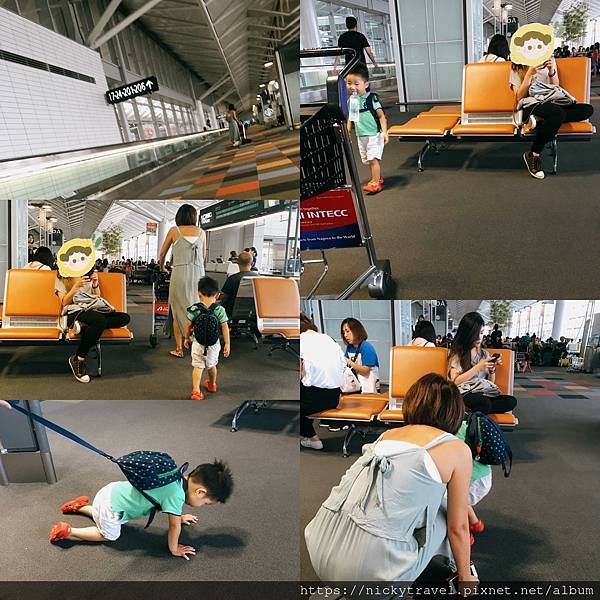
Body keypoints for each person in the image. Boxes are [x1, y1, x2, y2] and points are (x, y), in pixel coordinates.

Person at [305, 374, 478, 591]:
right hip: (373, 579)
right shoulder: (457, 449)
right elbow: (458, 527)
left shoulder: (388, 435)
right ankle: (458, 574)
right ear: (455, 412)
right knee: (447, 515)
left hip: (319, 548)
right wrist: (466, 577)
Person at [48, 460, 233, 560]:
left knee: (110, 517)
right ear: (201, 492)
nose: (204, 506)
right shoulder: (176, 496)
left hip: (111, 491)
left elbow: (166, 499)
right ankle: (69, 531)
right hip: (112, 507)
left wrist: (180, 515)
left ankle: (81, 507)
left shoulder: (177, 476)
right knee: (109, 534)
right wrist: (174, 548)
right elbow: (174, 527)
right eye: (207, 503)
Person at [510, 52, 594, 179]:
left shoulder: (548, 58)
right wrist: (529, 74)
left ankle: (540, 122)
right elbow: (519, 97)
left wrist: (551, 70)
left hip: (551, 101)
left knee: (587, 110)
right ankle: (534, 154)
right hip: (531, 104)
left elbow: (555, 86)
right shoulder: (517, 65)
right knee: (557, 113)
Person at [55, 269, 131, 383]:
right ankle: (79, 358)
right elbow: (65, 302)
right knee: (99, 321)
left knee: (124, 318)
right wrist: (76, 287)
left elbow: (96, 297)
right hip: (74, 310)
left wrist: (95, 284)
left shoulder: (87, 273)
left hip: (92, 309)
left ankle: (84, 327)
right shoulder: (62, 276)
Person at [159, 204, 206, 358]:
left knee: (178, 310)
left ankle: (179, 349)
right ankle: (199, 345)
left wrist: (162, 268)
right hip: (198, 274)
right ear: (194, 217)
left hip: (179, 273)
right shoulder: (201, 232)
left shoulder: (174, 231)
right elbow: (203, 257)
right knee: (198, 309)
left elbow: (162, 254)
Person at [448, 312, 517, 415]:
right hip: (464, 393)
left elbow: (491, 382)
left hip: (482, 392)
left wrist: (492, 369)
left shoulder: (484, 354)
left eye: (481, 333)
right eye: (475, 333)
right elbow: (455, 381)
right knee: (484, 403)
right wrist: (478, 367)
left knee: (511, 401)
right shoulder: (457, 353)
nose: (479, 337)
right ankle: (475, 416)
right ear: (467, 334)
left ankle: (472, 412)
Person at [300, 314, 345, 450]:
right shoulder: (329, 339)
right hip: (334, 397)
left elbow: (301, 371)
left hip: (313, 399)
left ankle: (313, 438)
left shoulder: (301, 340)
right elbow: (343, 365)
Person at [183, 277, 230, 401]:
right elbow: (225, 327)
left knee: (198, 367)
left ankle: (196, 392)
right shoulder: (220, 310)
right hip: (214, 344)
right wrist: (227, 344)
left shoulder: (195, 309)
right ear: (218, 294)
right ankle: (211, 384)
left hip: (198, 343)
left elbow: (188, 326)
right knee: (212, 365)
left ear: (199, 294)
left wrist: (186, 338)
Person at [346, 62, 388, 194]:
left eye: (356, 83)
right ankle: (377, 178)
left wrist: (385, 132)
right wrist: (348, 133)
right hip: (361, 136)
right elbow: (351, 119)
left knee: (372, 159)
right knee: (367, 160)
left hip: (374, 135)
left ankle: (375, 183)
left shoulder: (372, 98)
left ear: (366, 84)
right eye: (349, 83)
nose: (352, 87)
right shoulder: (351, 101)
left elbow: (381, 116)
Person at [341, 317, 380, 393]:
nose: (345, 335)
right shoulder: (350, 347)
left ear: (356, 331)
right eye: (343, 332)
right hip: (357, 387)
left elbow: (365, 371)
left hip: (369, 388)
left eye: (348, 331)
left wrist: (350, 362)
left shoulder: (366, 347)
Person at [219, 251, 257, 318]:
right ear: (252, 264)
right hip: (253, 314)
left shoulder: (232, 279)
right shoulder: (258, 279)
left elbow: (224, 298)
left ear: (237, 263)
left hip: (232, 313)